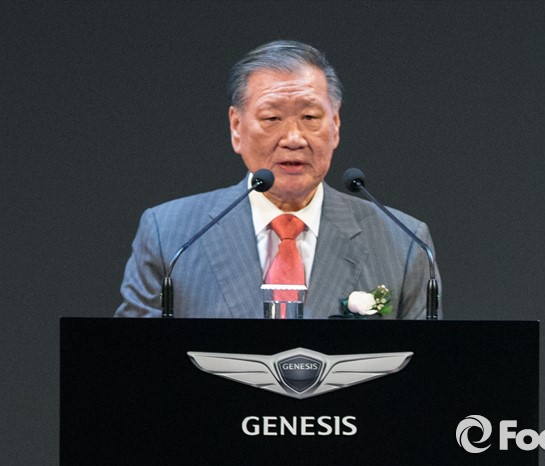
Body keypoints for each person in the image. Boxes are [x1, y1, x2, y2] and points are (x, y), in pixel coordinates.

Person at [115, 40, 440, 319]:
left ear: (336, 125)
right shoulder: (170, 236)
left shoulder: (404, 243)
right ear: (236, 127)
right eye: (272, 118)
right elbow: (132, 360)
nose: (294, 138)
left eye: (310, 117)